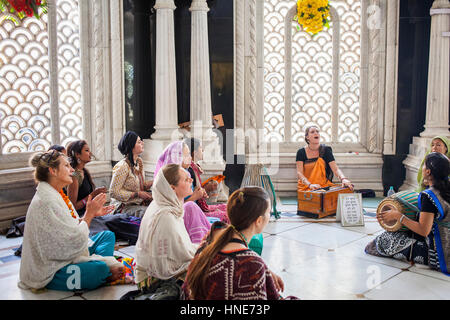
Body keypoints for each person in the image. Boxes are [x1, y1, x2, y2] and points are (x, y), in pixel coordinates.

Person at [19, 150, 124, 292]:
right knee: (98, 269)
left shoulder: (56, 193)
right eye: (67, 166)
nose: (72, 169)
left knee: (107, 236)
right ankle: (103, 271)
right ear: (53, 171)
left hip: (69, 250)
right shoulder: (46, 201)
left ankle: (102, 268)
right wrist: (88, 215)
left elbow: (68, 228)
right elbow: (69, 242)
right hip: (52, 268)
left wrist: (91, 215)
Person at [182, 186, 297, 300]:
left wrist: (265, 272)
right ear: (259, 221)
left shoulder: (210, 238)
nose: (269, 215)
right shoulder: (252, 264)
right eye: (268, 212)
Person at [365, 152, 450, 275]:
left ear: (428, 172)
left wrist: (398, 216)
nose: (422, 168)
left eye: (424, 165)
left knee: (381, 241)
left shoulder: (429, 196)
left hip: (442, 254)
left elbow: (423, 230)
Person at [134, 164, 199, 296]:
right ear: (172, 188)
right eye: (186, 179)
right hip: (154, 281)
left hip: (148, 275)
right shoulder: (165, 216)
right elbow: (182, 256)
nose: (191, 180)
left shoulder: (164, 205)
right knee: (206, 267)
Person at [154, 141, 211, 243]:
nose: (191, 180)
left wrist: (197, 194)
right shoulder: (172, 177)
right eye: (187, 154)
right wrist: (194, 196)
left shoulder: (185, 172)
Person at [183, 138, 229, 223]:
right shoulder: (185, 173)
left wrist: (203, 190)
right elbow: (181, 205)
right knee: (228, 215)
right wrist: (198, 195)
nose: (203, 150)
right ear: (195, 153)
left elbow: (194, 191)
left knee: (228, 207)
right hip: (194, 212)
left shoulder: (193, 168)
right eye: (200, 148)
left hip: (198, 207)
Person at [296, 125, 354, 191]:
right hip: (307, 186)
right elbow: (299, 173)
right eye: (312, 132)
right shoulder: (301, 152)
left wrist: (343, 179)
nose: (316, 133)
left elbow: (335, 169)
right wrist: (310, 185)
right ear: (307, 137)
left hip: (324, 185)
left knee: (346, 190)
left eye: (317, 131)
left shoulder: (326, 150)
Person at [109, 131, 153, 218]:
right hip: (123, 207)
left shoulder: (139, 162)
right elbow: (113, 192)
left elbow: (141, 185)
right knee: (150, 214)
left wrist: (156, 180)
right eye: (139, 142)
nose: (142, 143)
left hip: (137, 204)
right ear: (131, 146)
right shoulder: (122, 166)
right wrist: (137, 194)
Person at [66, 140, 107, 217]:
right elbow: (72, 207)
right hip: (80, 217)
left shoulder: (84, 172)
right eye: (87, 150)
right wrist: (92, 195)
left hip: (89, 214)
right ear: (77, 154)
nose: (90, 153)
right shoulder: (74, 176)